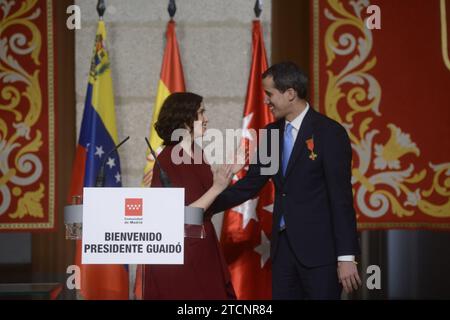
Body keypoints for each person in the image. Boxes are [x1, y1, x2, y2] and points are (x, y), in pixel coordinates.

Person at [209, 62, 361, 299]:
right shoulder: (271, 134)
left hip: (320, 255)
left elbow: (340, 199)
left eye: (270, 94)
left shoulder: (329, 133)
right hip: (283, 253)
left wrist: (346, 257)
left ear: (290, 93)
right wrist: (203, 205)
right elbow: (251, 185)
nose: (266, 101)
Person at [143, 92, 239, 300]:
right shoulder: (168, 159)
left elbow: (207, 196)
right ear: (185, 119)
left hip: (202, 247)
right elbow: (179, 216)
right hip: (181, 255)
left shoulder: (196, 152)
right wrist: (217, 187)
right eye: (201, 113)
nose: (206, 119)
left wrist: (228, 173)